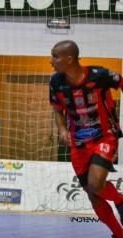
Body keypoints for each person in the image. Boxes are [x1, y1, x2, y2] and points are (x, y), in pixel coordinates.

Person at [49, 40, 123, 238]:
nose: (51, 61)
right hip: (78, 144)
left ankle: (119, 200)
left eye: (55, 56)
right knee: (93, 195)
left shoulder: (100, 76)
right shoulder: (56, 82)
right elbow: (57, 110)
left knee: (96, 184)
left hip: (104, 137)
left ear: (69, 58)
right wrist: (63, 129)